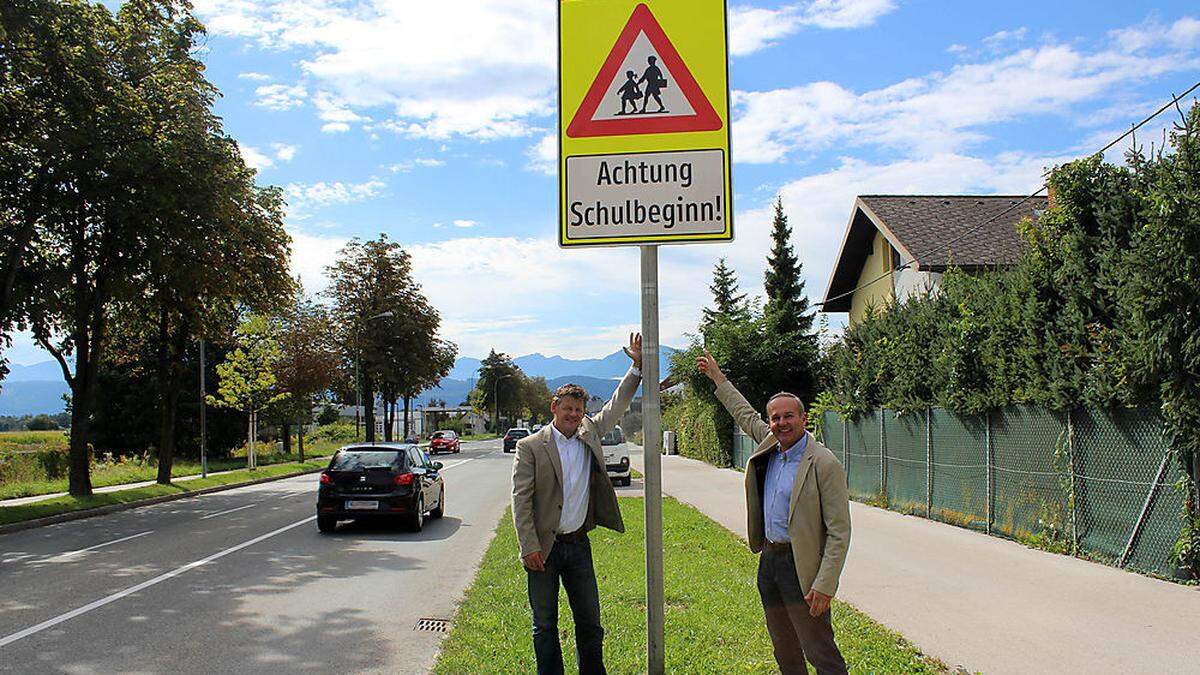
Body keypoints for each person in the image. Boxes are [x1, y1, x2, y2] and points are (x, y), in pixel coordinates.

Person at [697, 348, 851, 675]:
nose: (781, 423)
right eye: (775, 417)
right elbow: (744, 414)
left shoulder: (823, 463)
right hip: (769, 562)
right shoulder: (770, 446)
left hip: (802, 567)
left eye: (788, 416)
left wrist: (825, 583)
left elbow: (839, 532)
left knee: (819, 650)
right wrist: (718, 377)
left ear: (804, 419)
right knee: (784, 647)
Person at [512, 333, 643, 675]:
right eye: (567, 408)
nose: (573, 414)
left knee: (590, 623)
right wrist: (529, 546)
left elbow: (616, 405)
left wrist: (636, 368)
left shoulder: (590, 433)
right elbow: (521, 500)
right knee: (545, 625)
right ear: (554, 407)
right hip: (544, 548)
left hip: (578, 545)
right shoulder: (530, 447)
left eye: (579, 410)